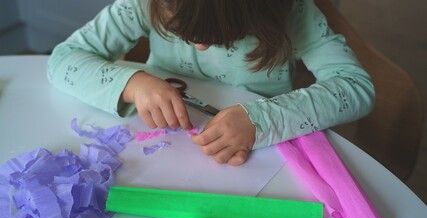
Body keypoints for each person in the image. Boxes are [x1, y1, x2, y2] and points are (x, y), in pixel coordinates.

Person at [48, 0, 374, 166]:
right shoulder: (144, 2)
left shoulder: (293, 11)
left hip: (262, 155)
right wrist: (135, 84)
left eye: (219, 37)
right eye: (184, 34)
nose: (200, 48)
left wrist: (261, 120)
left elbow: (354, 86)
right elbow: (64, 60)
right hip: (159, 158)